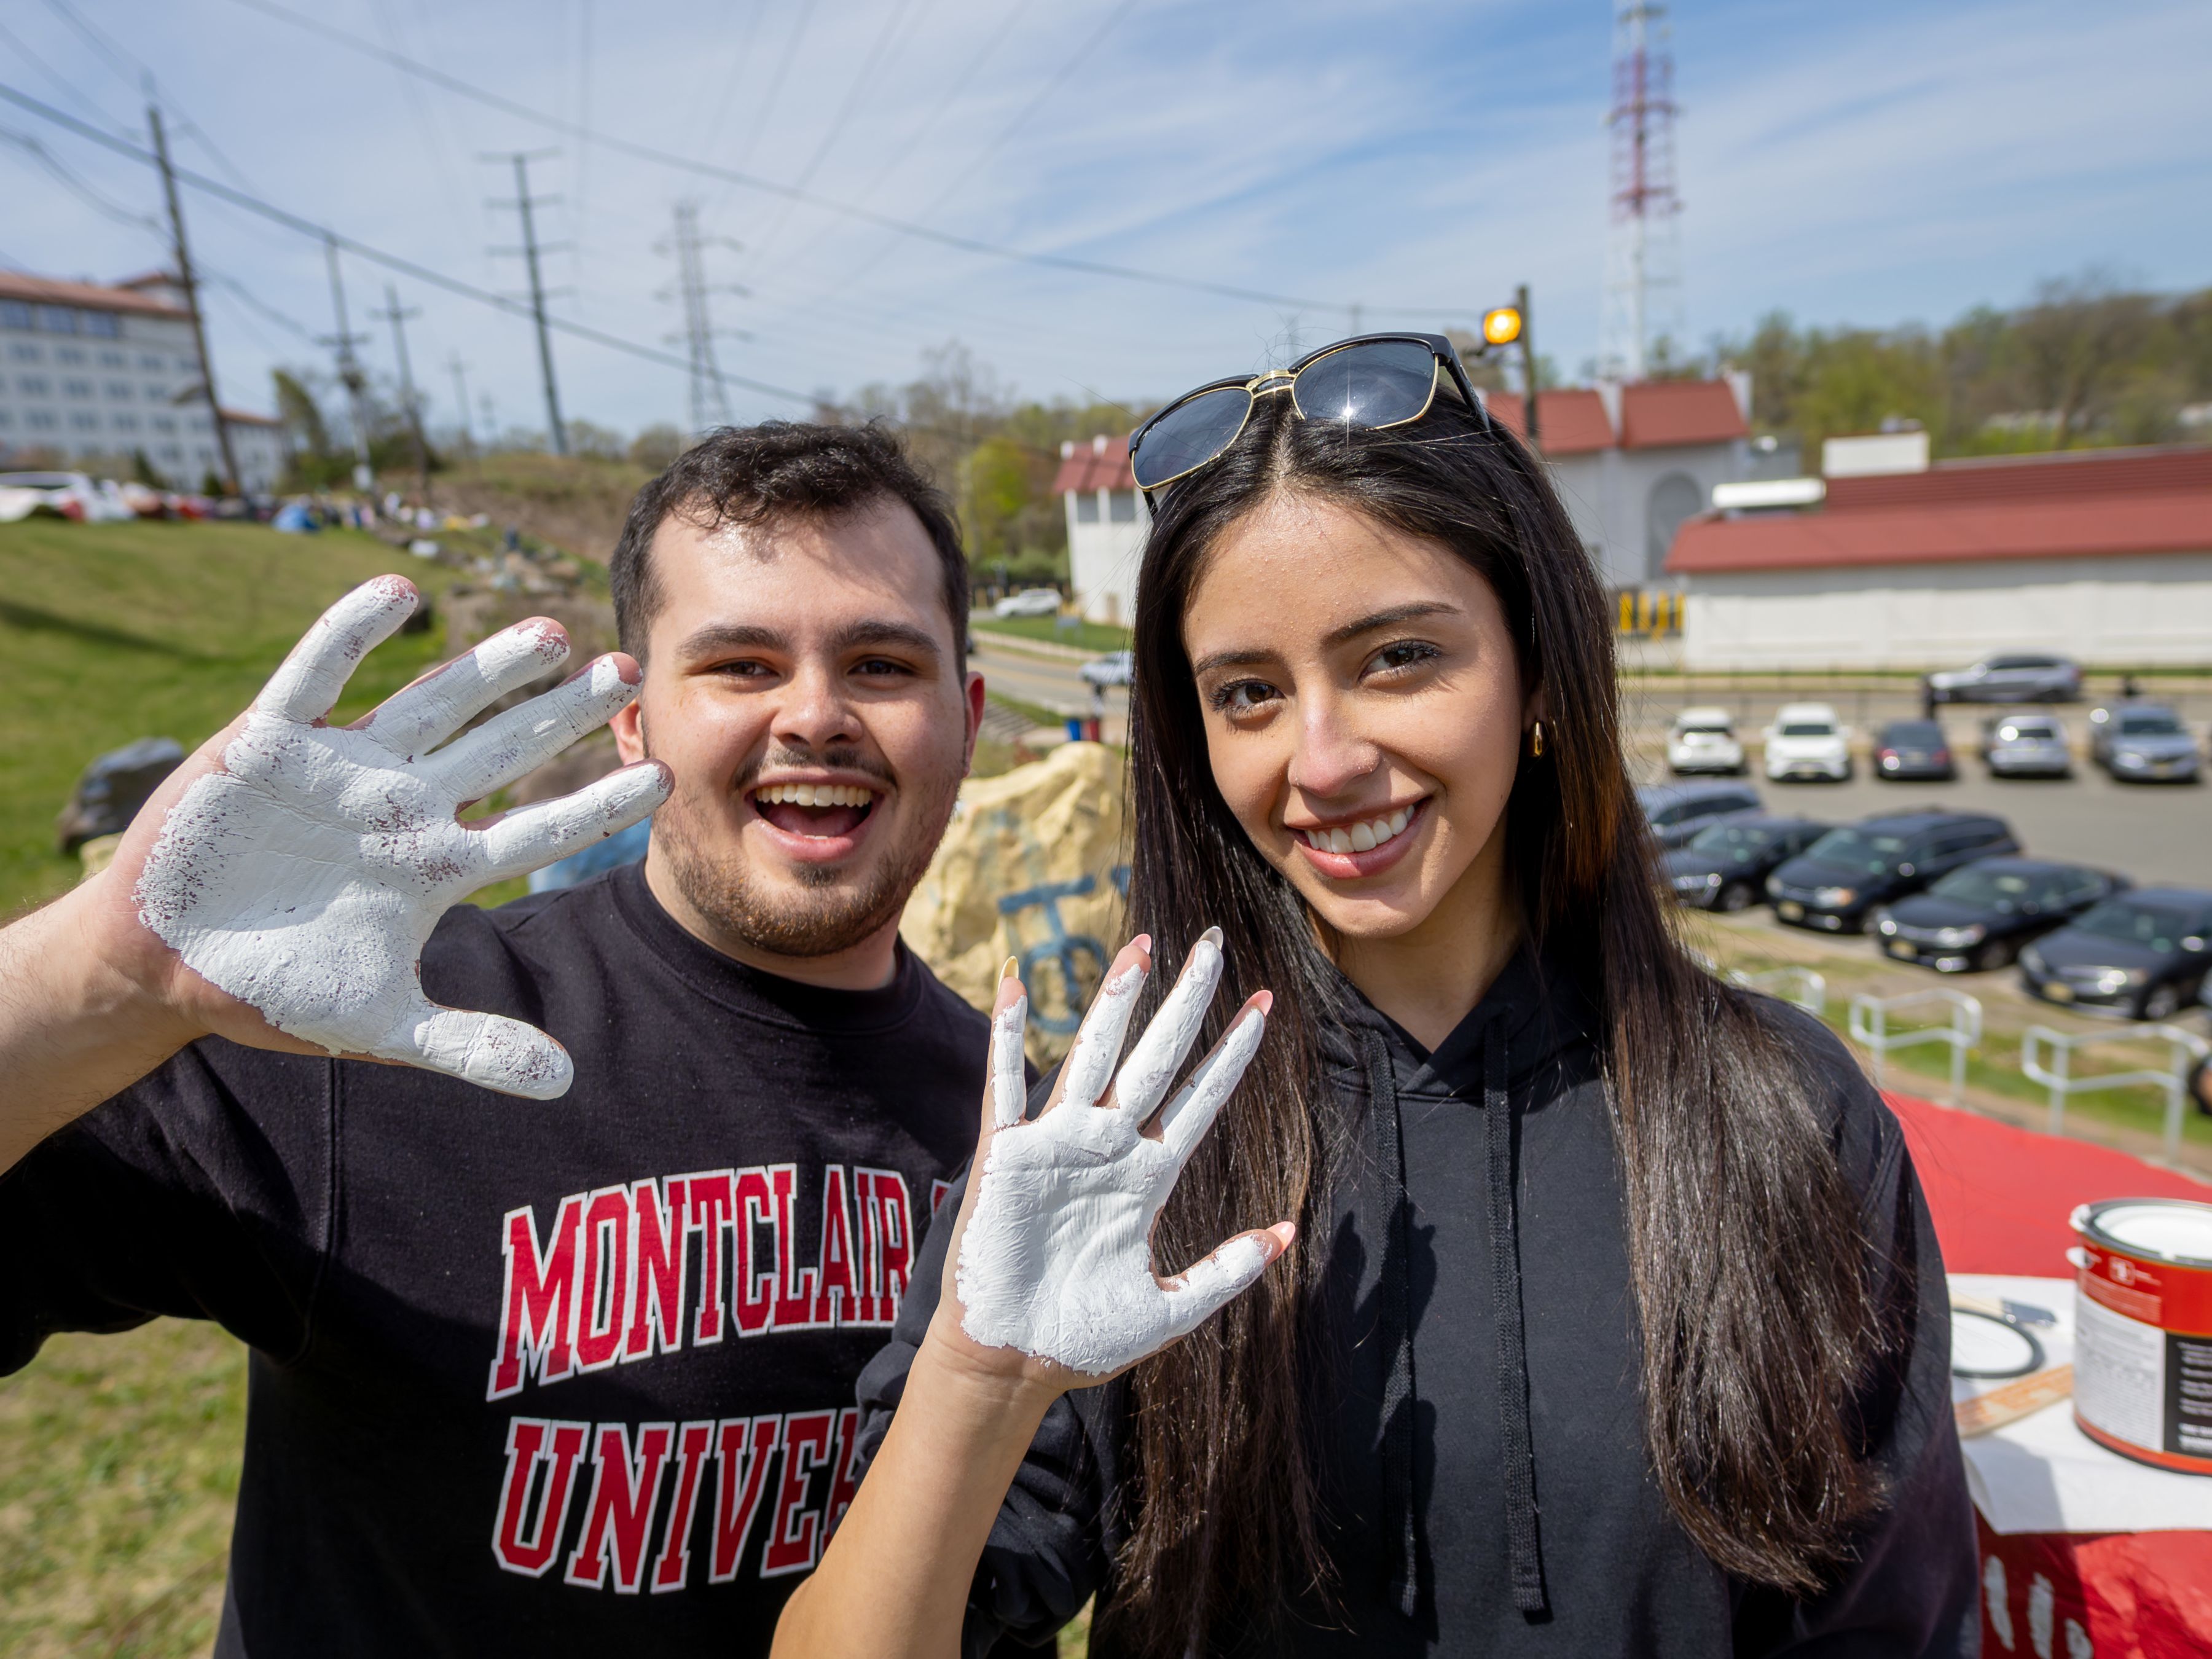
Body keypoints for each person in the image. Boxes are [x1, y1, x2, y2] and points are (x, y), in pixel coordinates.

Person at [777, 335, 1978, 1657]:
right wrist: (979, 1380)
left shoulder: (1782, 1113)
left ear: (1535, 663)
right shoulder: (1119, 1150)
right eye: (1247, 693)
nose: (1325, 760)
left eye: (1400, 657)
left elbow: (1897, 1628)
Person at [0, 423, 1007, 1653]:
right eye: (741, 664)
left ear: (965, 714)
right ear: (634, 721)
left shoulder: (1020, 1133)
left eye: (881, 664)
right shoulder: (374, 1022)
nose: (815, 715)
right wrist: (103, 972)